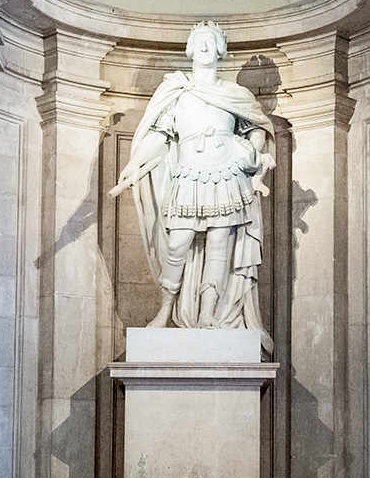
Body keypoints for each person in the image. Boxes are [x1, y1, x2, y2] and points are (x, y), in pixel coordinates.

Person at [109, 21, 275, 339]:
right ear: (189, 48)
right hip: (189, 174)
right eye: (198, 40)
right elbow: (159, 135)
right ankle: (165, 310)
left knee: (218, 246)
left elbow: (257, 126)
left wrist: (250, 150)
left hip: (227, 174)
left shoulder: (235, 94)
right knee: (176, 244)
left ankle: (209, 314)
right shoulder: (177, 91)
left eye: (210, 41)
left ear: (220, 49)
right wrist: (134, 162)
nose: (203, 46)